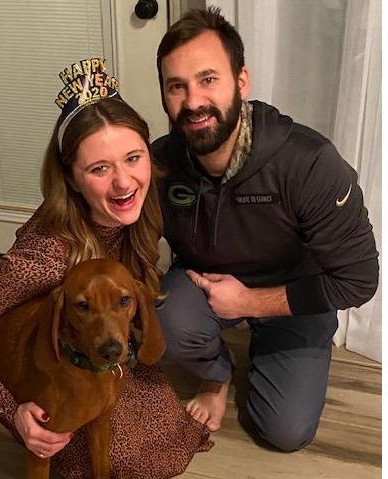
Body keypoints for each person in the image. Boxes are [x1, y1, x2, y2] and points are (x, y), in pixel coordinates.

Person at [0, 58, 211, 479]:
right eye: (99, 168)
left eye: (133, 158)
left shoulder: (144, 204)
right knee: (125, 459)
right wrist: (8, 406)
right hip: (44, 362)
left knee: (162, 428)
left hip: (96, 348)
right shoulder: (45, 256)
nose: (124, 182)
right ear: (71, 178)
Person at [152, 7, 379, 452]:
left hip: (294, 292)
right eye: (177, 86)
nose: (193, 101)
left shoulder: (310, 163)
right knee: (165, 316)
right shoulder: (159, 163)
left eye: (208, 79)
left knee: (285, 432)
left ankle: (277, 344)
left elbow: (359, 280)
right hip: (204, 284)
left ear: (242, 82)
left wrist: (250, 302)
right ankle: (215, 375)